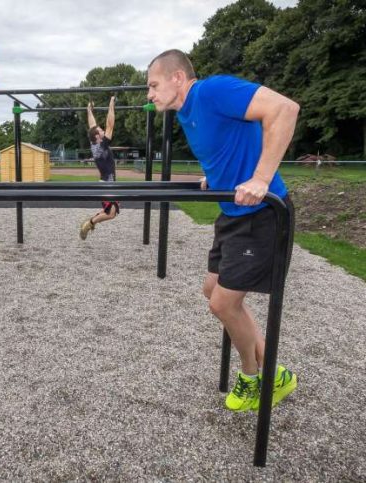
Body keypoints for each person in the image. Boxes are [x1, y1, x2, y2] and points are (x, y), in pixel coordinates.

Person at [146, 49, 300, 412]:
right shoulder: (187, 113)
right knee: (212, 290)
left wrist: (261, 178)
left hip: (262, 213)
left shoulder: (212, 91)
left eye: (153, 85)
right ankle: (275, 373)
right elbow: (232, 142)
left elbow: (284, 109)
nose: (149, 95)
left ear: (178, 78)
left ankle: (250, 378)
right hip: (231, 213)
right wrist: (215, 178)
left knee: (224, 303)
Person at [79, 96, 120, 240]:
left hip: (108, 184)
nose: (103, 131)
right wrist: (111, 104)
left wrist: (88, 110)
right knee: (111, 213)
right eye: (101, 131)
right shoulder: (101, 146)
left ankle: (91, 222)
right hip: (107, 185)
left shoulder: (94, 144)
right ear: (98, 136)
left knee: (111, 212)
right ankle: (89, 223)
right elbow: (110, 125)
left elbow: (92, 125)